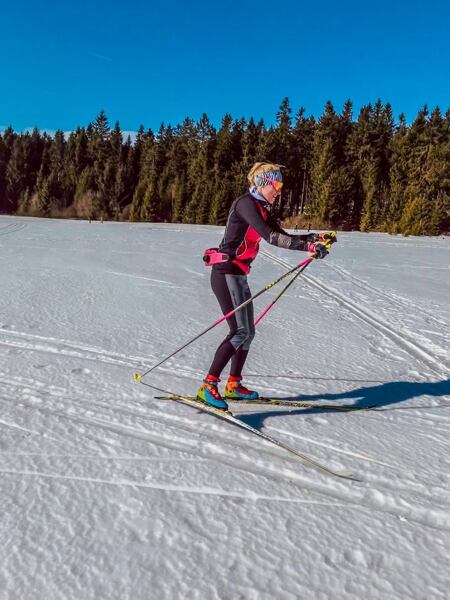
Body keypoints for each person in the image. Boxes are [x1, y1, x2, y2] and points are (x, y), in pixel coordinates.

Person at [197, 162, 331, 411]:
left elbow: (280, 233)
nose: (279, 190)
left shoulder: (260, 207)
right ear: (263, 183)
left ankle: (234, 384)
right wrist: (308, 247)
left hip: (238, 274)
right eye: (276, 185)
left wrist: (314, 239)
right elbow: (271, 237)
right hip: (225, 273)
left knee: (248, 331)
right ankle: (208, 385)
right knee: (239, 331)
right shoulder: (246, 204)